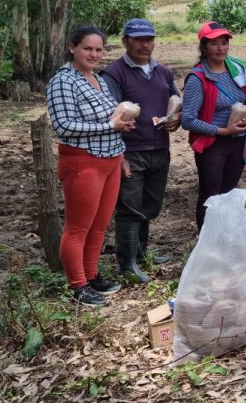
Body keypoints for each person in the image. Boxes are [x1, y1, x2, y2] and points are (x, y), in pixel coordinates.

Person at [47, 24, 135, 306]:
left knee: (99, 225)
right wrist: (111, 125)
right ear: (72, 47)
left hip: (109, 161)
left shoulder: (96, 79)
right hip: (83, 161)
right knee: (77, 227)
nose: (94, 54)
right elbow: (63, 125)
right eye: (87, 48)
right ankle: (78, 285)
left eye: (98, 49)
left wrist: (120, 148)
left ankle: (91, 274)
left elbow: (109, 122)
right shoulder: (63, 81)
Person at [100, 18, 177, 284]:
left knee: (150, 204)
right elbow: (109, 114)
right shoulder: (114, 73)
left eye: (149, 39)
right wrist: (119, 154)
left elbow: (173, 100)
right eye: (138, 39)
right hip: (130, 150)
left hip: (159, 147)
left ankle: (142, 253)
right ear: (125, 42)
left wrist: (174, 118)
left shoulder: (163, 72)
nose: (145, 45)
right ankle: (126, 263)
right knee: (129, 207)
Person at [181, 21, 246, 231]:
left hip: (237, 142)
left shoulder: (236, 68)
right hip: (213, 144)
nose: (221, 48)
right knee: (210, 194)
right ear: (204, 47)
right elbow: (188, 120)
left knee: (229, 193)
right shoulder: (198, 78)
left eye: (224, 43)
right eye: (214, 44)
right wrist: (222, 130)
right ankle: (205, 241)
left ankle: (223, 238)